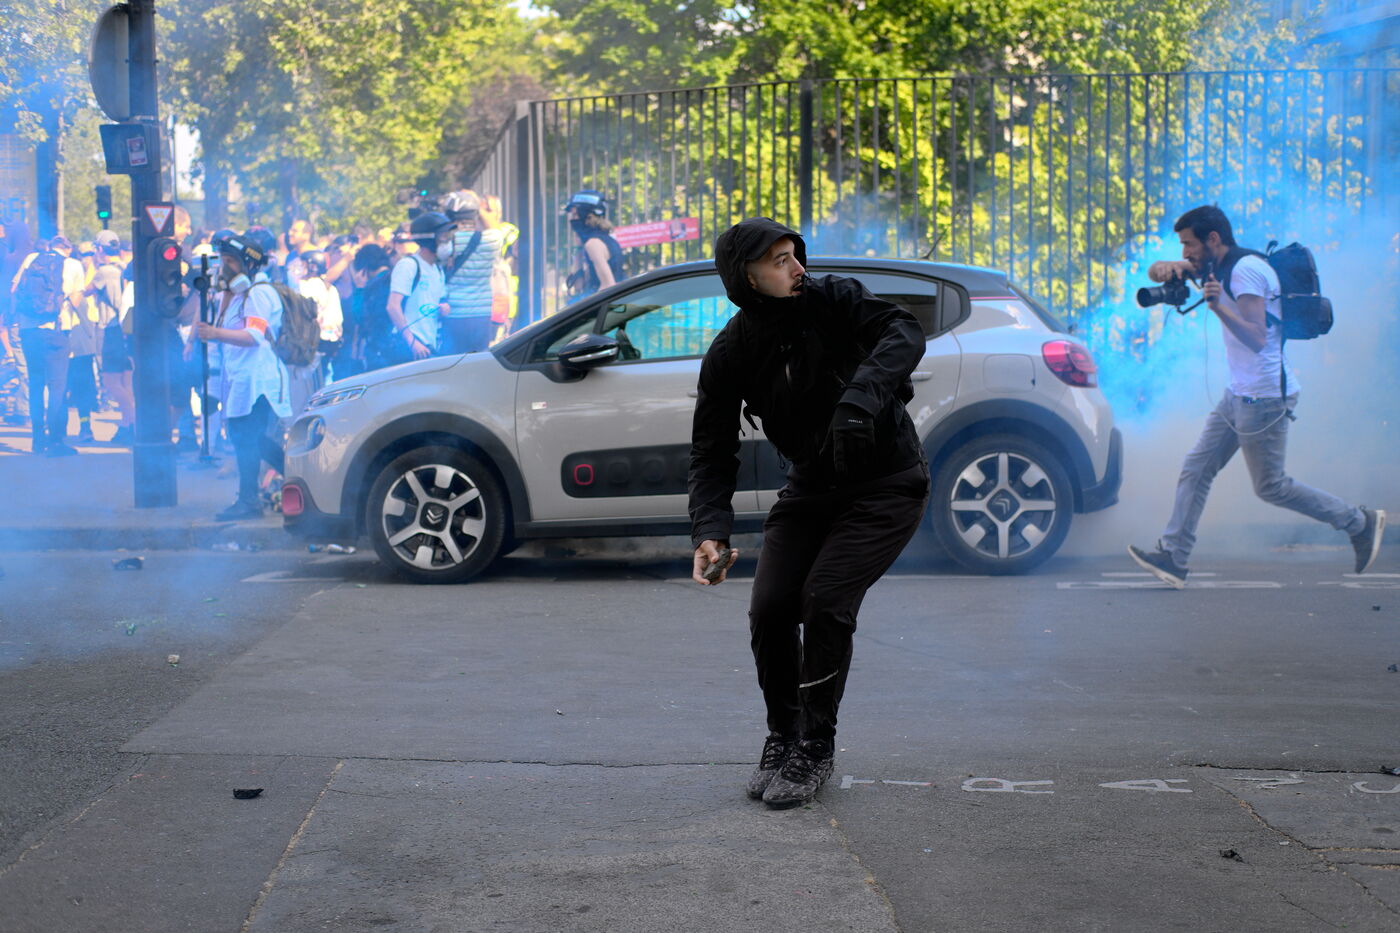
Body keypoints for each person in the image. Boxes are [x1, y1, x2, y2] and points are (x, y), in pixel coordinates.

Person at [688, 218, 929, 808]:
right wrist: (710, 532)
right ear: (746, 278)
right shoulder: (731, 351)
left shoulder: (834, 298)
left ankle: (816, 745)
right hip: (811, 489)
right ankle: (784, 734)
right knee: (770, 607)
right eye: (778, 261)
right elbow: (711, 451)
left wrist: (860, 397)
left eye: (795, 254)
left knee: (824, 599)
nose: (797, 268)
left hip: (886, 484)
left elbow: (903, 328)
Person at [1129, 205, 1385, 587]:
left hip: (1264, 399)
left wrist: (1218, 307)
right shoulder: (1215, 264)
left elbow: (1257, 337)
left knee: (1271, 486)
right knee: (1196, 468)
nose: (1185, 252)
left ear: (1213, 239)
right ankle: (1173, 557)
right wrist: (1163, 268)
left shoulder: (1245, 271)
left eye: (1188, 244)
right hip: (1239, 394)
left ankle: (1359, 522)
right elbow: (1158, 274)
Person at [194, 231, 291, 521]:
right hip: (244, 378)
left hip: (257, 380)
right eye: (223, 261)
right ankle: (295, 484)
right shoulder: (240, 293)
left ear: (249, 264)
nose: (225, 267)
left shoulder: (258, 293)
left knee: (247, 439)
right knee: (250, 439)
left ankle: (251, 500)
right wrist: (226, 291)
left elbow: (253, 336)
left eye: (231, 262)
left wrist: (214, 333)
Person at [10, 235, 85, 456]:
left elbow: (14, 290)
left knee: (36, 384)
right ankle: (55, 441)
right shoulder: (73, 265)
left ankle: (37, 440)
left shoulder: (31, 259)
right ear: (67, 249)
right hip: (56, 331)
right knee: (57, 386)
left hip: (29, 331)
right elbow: (76, 300)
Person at [439, 190, 504, 355]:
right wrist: (478, 205)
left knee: (453, 361)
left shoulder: (448, 243)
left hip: (453, 313)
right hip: (481, 314)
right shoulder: (491, 241)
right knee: (478, 360)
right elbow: (495, 227)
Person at [387, 211, 454, 361]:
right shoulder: (408, 265)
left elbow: (434, 302)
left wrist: (444, 308)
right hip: (410, 347)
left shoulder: (438, 270)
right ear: (429, 240)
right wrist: (412, 342)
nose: (448, 242)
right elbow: (392, 306)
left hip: (429, 347)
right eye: (443, 236)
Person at [564, 190, 624, 302]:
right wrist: (579, 249)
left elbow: (608, 285)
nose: (573, 219)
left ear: (587, 215)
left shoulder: (593, 244)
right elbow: (579, 286)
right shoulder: (605, 239)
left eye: (575, 214)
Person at [297, 249, 343, 383]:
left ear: (313, 266)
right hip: (330, 341)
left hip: (315, 342)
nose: (299, 268)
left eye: (303, 264)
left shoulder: (310, 285)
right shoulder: (329, 287)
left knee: (313, 381)